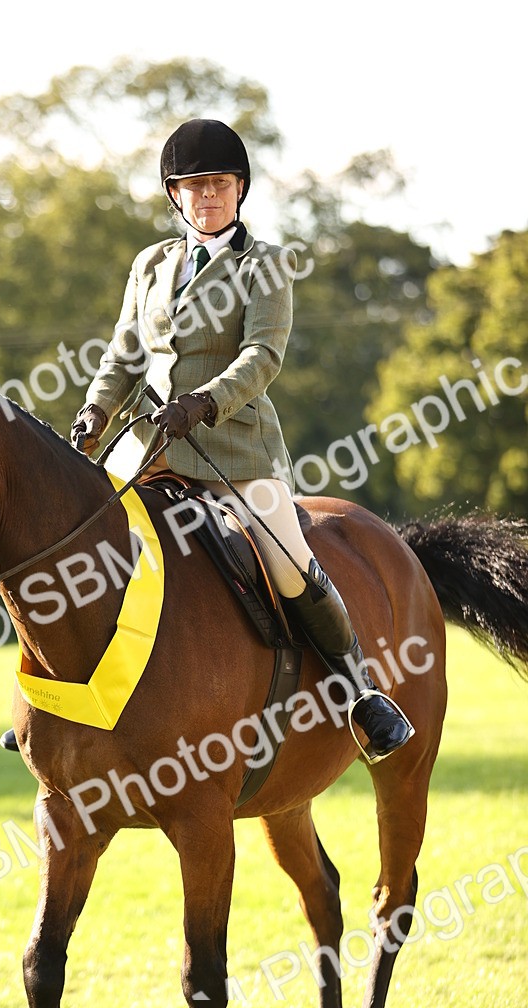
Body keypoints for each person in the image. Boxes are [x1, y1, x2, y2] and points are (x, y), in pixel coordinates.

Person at [64, 117, 414, 764]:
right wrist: (94, 411)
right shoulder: (150, 265)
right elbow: (124, 354)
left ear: (240, 189)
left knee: (287, 561)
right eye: (194, 186)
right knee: (72, 542)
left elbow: (262, 356)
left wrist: (204, 403)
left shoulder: (266, 265)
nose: (207, 196)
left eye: (219, 184)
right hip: (147, 450)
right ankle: (62, 696)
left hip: (233, 450)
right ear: (175, 195)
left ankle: (360, 692)